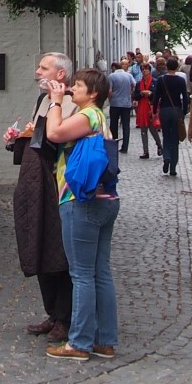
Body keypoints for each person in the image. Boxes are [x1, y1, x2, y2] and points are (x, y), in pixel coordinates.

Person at [43, 65, 119, 361]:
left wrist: (55, 102)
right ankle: (104, 340)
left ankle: (79, 343)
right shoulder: (99, 116)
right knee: (100, 272)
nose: (72, 88)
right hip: (105, 199)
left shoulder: (88, 115)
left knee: (82, 275)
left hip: (80, 200)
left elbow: (54, 133)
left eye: (78, 85)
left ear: (94, 93)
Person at [7, 53, 75, 342]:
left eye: (43, 68)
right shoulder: (42, 100)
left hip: (60, 184)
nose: (37, 72)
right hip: (36, 185)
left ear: (60, 74)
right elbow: (36, 138)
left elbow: (61, 138)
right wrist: (17, 139)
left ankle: (66, 317)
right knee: (39, 244)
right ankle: (53, 313)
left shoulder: (72, 102)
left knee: (61, 251)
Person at [151, 55, 189, 177]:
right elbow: (185, 97)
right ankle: (173, 167)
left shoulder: (161, 80)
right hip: (176, 109)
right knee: (175, 139)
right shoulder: (181, 80)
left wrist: (154, 110)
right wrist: (184, 111)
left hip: (164, 110)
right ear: (177, 67)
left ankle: (166, 157)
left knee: (166, 136)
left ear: (167, 67)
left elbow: (156, 96)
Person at [134, 58, 162, 160]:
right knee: (143, 130)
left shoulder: (155, 82)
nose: (144, 71)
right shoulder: (139, 83)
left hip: (151, 107)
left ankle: (159, 145)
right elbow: (135, 95)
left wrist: (150, 94)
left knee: (153, 129)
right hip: (142, 108)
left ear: (149, 70)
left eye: (146, 69)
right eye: (142, 69)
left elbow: (157, 95)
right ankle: (145, 151)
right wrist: (141, 94)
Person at [107, 59, 136, 153]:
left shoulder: (112, 76)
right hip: (126, 104)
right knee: (126, 126)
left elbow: (110, 90)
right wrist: (130, 93)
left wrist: (110, 99)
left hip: (115, 103)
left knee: (113, 125)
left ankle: (114, 144)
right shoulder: (129, 75)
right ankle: (125, 147)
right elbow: (134, 85)